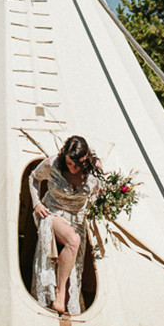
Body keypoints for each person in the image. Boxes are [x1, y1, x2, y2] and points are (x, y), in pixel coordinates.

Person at [29, 135, 103, 315]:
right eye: (70, 163)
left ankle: (63, 299)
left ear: (85, 159)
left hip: (76, 218)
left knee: (73, 252)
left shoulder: (94, 170)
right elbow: (33, 178)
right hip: (51, 212)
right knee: (73, 240)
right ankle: (59, 292)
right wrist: (36, 203)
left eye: (77, 164)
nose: (73, 168)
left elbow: (97, 194)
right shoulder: (53, 163)